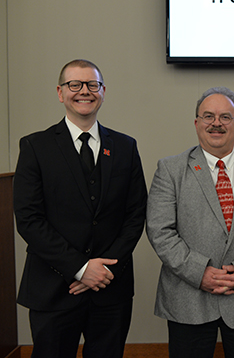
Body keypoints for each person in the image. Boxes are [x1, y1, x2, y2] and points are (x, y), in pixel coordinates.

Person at [12, 59, 147, 358]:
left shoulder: (126, 147)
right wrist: (82, 269)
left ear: (102, 91)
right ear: (61, 93)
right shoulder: (35, 147)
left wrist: (101, 271)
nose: (84, 91)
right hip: (53, 288)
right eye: (75, 85)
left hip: (111, 288)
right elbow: (29, 219)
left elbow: (136, 214)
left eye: (92, 85)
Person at [146, 86, 234, 358]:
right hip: (188, 299)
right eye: (208, 116)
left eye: (225, 117)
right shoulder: (170, 170)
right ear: (196, 122)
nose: (216, 123)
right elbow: (159, 230)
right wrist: (199, 273)